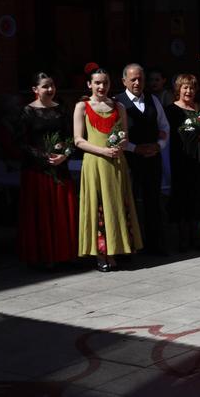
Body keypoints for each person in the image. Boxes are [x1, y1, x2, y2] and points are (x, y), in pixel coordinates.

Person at [73, 65, 143, 271]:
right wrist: (103, 151)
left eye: (105, 83)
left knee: (117, 205)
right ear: (89, 84)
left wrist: (120, 146)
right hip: (95, 163)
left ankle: (117, 249)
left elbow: (125, 137)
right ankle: (101, 254)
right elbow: (78, 140)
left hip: (116, 163)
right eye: (97, 83)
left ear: (110, 84)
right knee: (99, 207)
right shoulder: (82, 107)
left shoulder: (118, 106)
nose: (101, 86)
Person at [17, 72, 78, 267]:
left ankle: (65, 255)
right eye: (45, 86)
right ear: (35, 90)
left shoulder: (61, 110)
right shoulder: (27, 112)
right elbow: (21, 142)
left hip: (60, 167)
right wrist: (44, 156)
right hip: (37, 170)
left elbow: (71, 138)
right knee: (41, 214)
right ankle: (44, 258)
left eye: (52, 85)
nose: (50, 89)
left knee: (62, 212)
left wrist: (64, 155)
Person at [114, 63, 170, 254]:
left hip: (152, 158)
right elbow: (114, 135)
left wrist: (158, 146)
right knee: (129, 201)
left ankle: (155, 244)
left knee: (152, 201)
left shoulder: (153, 100)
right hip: (129, 159)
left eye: (141, 79)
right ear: (124, 81)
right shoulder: (117, 103)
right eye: (133, 79)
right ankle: (131, 245)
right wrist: (134, 148)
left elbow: (164, 127)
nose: (137, 82)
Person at [165, 74, 200, 251]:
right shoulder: (170, 110)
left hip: (199, 161)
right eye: (185, 87)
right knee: (181, 197)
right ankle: (182, 240)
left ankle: (198, 238)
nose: (188, 91)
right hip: (180, 160)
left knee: (198, 196)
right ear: (178, 89)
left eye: (192, 87)